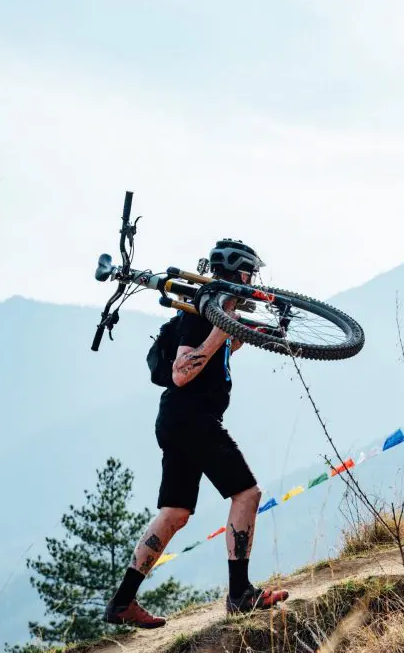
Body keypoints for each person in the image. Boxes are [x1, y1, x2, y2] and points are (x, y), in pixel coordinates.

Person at [104, 239, 288, 628]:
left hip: (177, 420)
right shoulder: (201, 309)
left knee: (174, 513)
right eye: (250, 273)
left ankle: (121, 603)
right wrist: (221, 328)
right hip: (192, 417)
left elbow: (225, 348)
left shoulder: (217, 310)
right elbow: (181, 372)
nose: (252, 279)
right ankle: (240, 594)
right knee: (247, 493)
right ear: (240, 272)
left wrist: (260, 331)